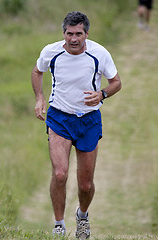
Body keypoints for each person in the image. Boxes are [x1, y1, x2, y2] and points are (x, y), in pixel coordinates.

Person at [31, 11, 121, 239]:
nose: (73, 39)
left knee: (85, 185)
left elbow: (116, 82)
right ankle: (59, 225)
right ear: (63, 33)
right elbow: (37, 71)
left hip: (89, 120)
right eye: (69, 34)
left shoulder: (99, 54)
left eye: (78, 34)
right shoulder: (51, 52)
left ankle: (82, 216)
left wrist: (102, 94)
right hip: (60, 118)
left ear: (86, 34)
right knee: (60, 174)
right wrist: (40, 98)